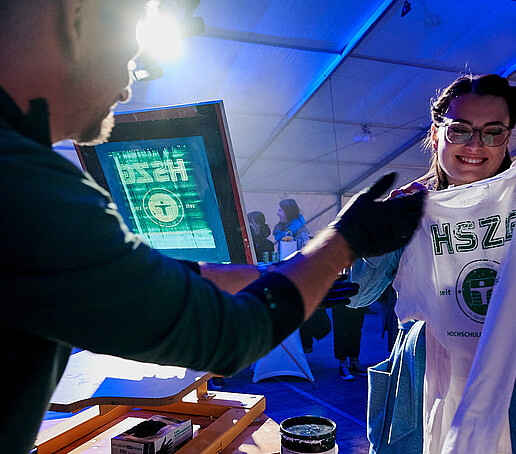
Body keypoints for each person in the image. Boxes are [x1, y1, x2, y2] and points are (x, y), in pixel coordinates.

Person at [0, 2, 425, 453]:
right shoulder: (26, 186)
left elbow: (170, 283)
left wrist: (275, 273)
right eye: (129, 54)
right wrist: (346, 241)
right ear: (77, 16)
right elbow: (227, 337)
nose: (127, 90)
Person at [349, 74, 516, 453]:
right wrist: (377, 235)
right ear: (437, 132)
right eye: (460, 130)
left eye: (493, 132)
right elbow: (358, 296)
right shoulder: (408, 208)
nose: (475, 145)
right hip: (428, 376)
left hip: (507, 372)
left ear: (508, 137)